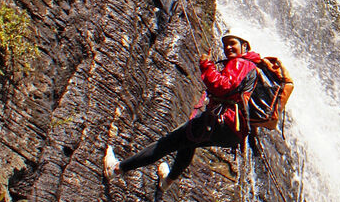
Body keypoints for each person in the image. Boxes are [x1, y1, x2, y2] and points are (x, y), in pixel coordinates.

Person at [105, 32, 262, 186]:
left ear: (244, 46)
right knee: (189, 143)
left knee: (166, 144)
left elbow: (222, 86)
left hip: (220, 121)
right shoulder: (251, 67)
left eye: (232, 43)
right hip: (232, 132)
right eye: (225, 45)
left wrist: (206, 65)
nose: (228, 47)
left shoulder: (241, 63)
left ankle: (117, 169)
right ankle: (168, 181)